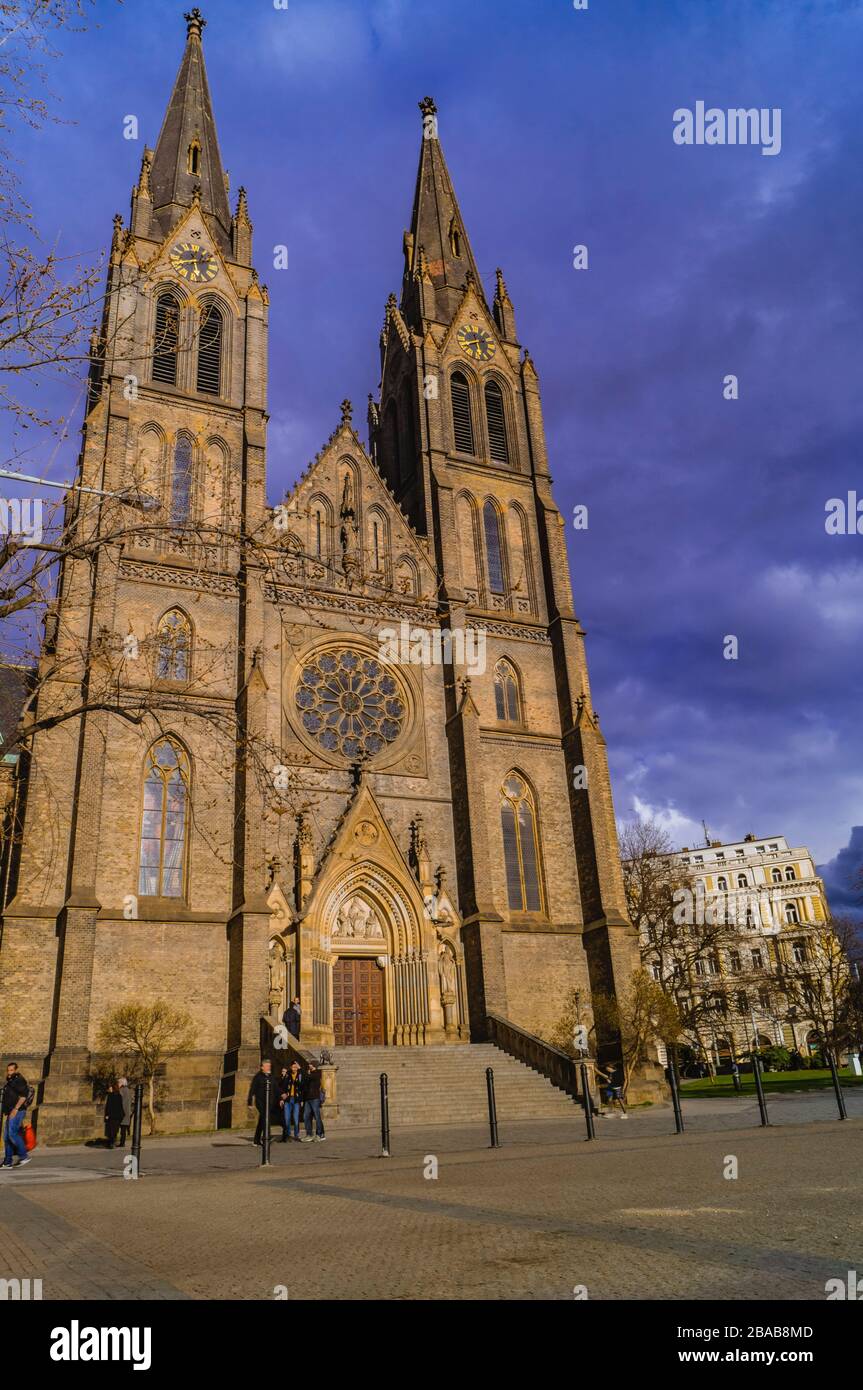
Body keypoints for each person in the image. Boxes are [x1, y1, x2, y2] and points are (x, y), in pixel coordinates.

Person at [2, 1061, 32, 1168]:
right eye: (8, 1070)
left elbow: (24, 1095)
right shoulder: (11, 1081)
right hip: (11, 1111)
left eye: (11, 1070)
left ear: (16, 1070)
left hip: (17, 1111)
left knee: (12, 1134)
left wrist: (15, 1108)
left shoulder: (19, 1080)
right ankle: (7, 1162)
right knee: (6, 1137)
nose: (9, 1072)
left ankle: (24, 1156)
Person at [247, 1059, 277, 1146]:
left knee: (262, 1121)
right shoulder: (258, 1077)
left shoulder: (271, 1076)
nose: (269, 1067)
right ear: (262, 1067)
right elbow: (252, 1090)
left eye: (269, 1066)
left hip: (269, 1102)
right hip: (261, 1102)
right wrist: (249, 1102)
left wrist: (282, 1095)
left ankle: (256, 1140)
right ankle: (267, 1137)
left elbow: (276, 1088)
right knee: (266, 1119)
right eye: (267, 1066)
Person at [302, 1062, 326, 1142]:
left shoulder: (317, 1073)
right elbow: (304, 1082)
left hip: (315, 1098)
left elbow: (310, 1078)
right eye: (309, 1064)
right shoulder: (308, 1073)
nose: (309, 1065)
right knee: (306, 1116)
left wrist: (306, 1073)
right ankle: (309, 1134)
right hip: (307, 1098)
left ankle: (319, 1134)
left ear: (314, 1066)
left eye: (311, 1064)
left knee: (317, 1116)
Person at [281, 1060, 304, 1142]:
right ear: (291, 1067)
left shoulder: (300, 1075)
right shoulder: (288, 1075)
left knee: (296, 1118)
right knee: (287, 1118)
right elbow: (283, 1087)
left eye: (296, 1067)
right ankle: (287, 1134)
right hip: (288, 1099)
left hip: (296, 1099)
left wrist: (301, 1100)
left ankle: (296, 1135)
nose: (294, 1069)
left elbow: (302, 1087)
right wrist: (282, 1098)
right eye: (293, 1067)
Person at [104, 1082, 124, 1149]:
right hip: (117, 1116)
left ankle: (111, 1143)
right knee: (115, 1130)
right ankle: (113, 1142)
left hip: (111, 1115)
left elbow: (108, 1106)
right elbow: (120, 1106)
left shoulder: (110, 1096)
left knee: (111, 1130)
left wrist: (107, 1115)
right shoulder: (119, 1096)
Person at [117, 1077, 132, 1146]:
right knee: (124, 1129)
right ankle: (122, 1142)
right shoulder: (128, 1090)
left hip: (121, 1111)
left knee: (120, 1128)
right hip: (127, 1111)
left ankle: (120, 1142)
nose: (118, 1084)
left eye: (119, 1082)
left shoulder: (121, 1090)